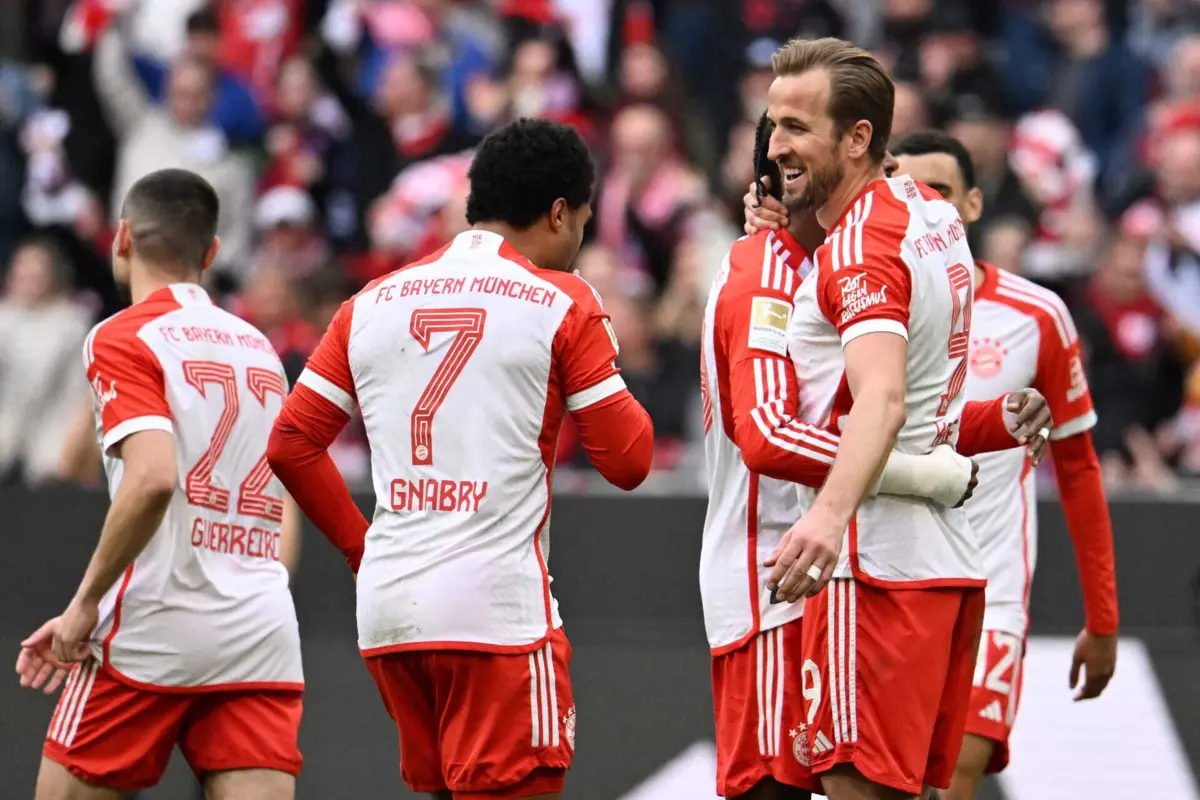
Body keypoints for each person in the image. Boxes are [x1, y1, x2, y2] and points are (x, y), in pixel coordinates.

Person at [266, 118, 654, 800]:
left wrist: (365, 550)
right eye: (584, 224)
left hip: (392, 615)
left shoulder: (370, 302)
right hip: (495, 615)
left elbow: (290, 444)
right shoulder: (563, 301)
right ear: (561, 213)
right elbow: (628, 460)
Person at [741, 129, 1121, 799]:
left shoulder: (1038, 315)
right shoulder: (859, 294)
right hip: (880, 571)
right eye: (903, 182)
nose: (915, 199)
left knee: (948, 779)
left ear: (970, 205)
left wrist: (1104, 617)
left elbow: (1081, 468)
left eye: (936, 188)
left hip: (989, 585)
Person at [14, 169, 304, 800]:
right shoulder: (259, 348)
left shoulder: (121, 336)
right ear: (212, 253)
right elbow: (286, 492)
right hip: (258, 629)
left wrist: (85, 602)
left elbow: (151, 480)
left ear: (121, 237)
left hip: (154, 621)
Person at [754, 38, 985, 800]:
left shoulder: (858, 248)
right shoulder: (928, 211)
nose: (775, 145)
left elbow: (881, 398)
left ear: (859, 138)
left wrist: (824, 518)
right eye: (773, 123)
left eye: (796, 127)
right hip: (941, 563)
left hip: (870, 566)